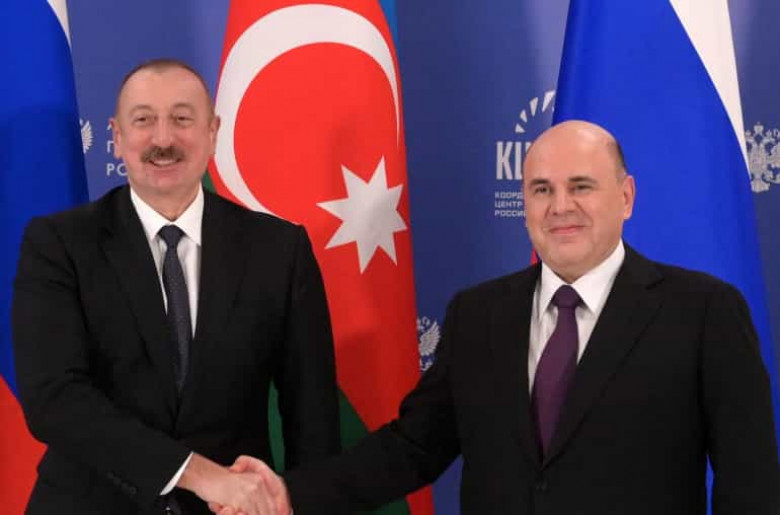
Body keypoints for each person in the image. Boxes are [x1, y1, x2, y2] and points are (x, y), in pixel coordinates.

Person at [232, 120, 780, 514]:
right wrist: (288, 493)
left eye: (581, 186)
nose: (560, 207)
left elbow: (749, 480)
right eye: (541, 190)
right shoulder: (478, 315)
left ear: (626, 196)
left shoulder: (703, 311)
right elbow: (413, 447)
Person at [11, 58, 340, 515]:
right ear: (116, 136)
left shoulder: (280, 250)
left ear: (212, 131)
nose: (162, 139)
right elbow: (54, 400)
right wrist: (201, 475)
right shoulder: (58, 244)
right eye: (143, 120)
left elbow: (313, 418)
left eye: (182, 119)